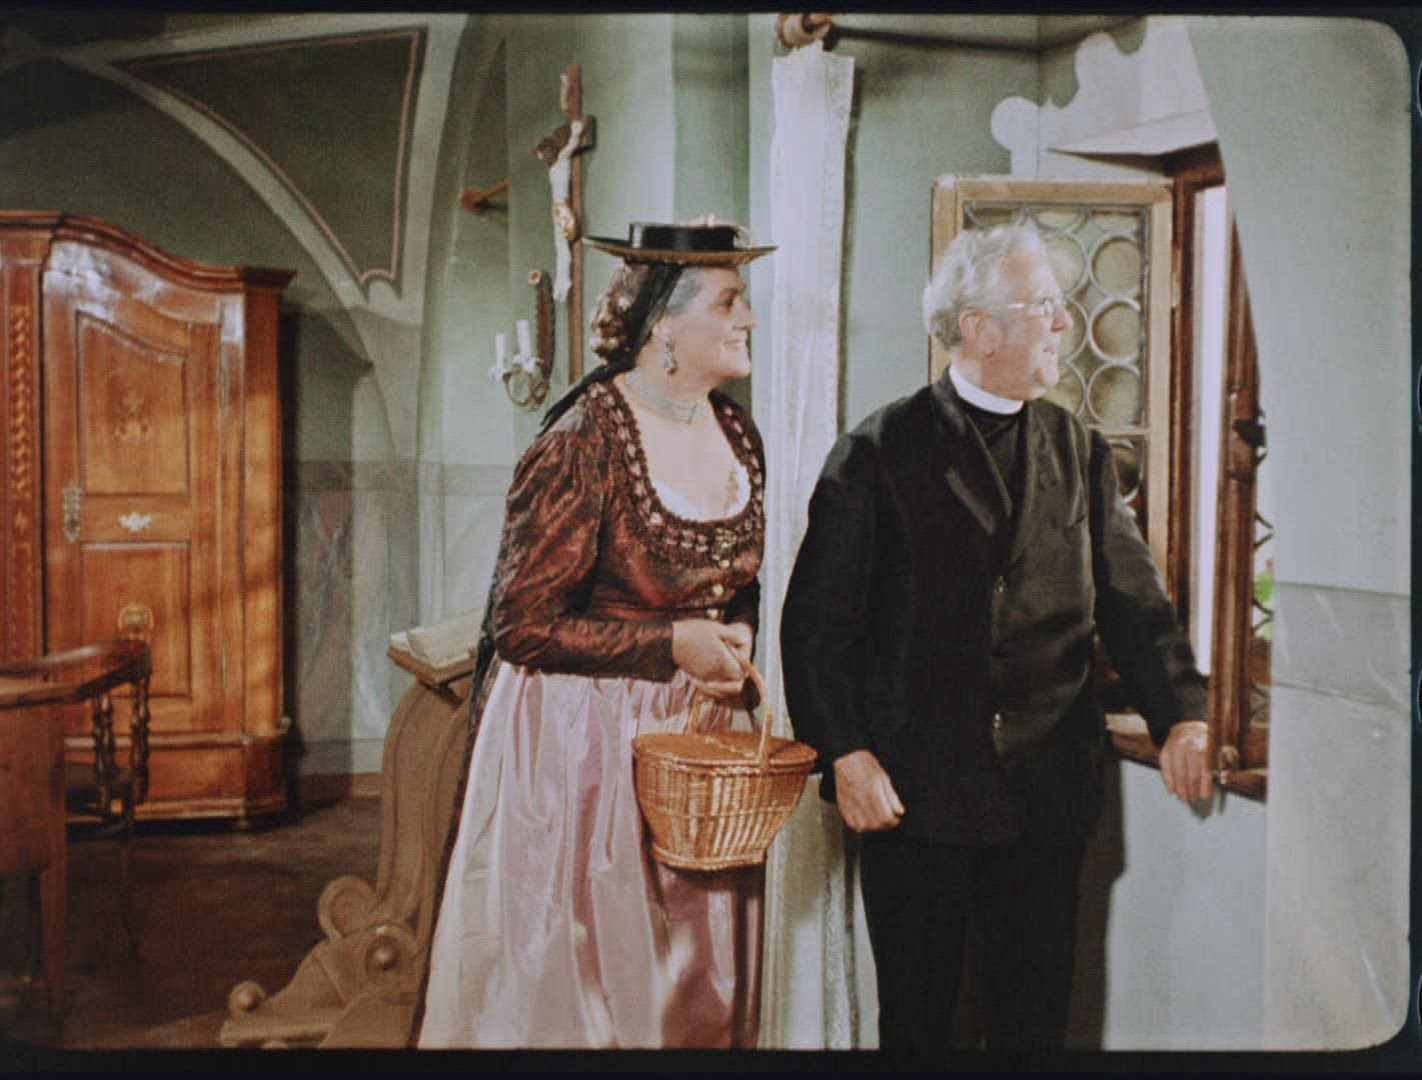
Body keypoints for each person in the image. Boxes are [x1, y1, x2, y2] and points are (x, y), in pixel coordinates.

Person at [779, 222, 1212, 1058]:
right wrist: (847, 755)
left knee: (1033, 1035)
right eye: (1044, 304)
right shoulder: (875, 452)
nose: (1064, 323)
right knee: (921, 1036)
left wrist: (1183, 716)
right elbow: (816, 631)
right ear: (978, 328)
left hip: (1046, 806)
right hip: (916, 803)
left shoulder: (1079, 450)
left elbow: (1136, 607)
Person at [412, 221, 773, 1049]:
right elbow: (522, 625)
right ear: (664, 325)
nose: (748, 318)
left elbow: (742, 578)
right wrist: (669, 644)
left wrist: (738, 633)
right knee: (588, 982)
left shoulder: (737, 432)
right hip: (582, 746)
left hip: (700, 744)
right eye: (729, 302)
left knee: (695, 976)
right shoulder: (586, 438)